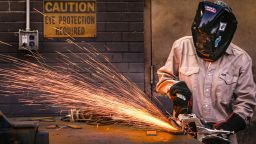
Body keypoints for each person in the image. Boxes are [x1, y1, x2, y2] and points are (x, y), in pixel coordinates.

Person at [156, 1, 256, 144]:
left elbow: (246, 103)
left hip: (222, 138)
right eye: (201, 37)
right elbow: (164, 78)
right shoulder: (182, 46)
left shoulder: (241, 59)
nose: (203, 43)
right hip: (184, 135)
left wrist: (227, 127)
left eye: (209, 39)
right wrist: (173, 88)